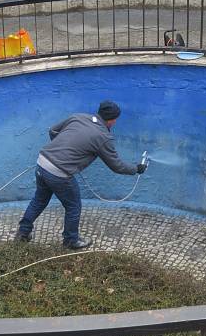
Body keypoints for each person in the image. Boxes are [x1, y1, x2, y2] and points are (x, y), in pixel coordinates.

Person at [15, 100, 147, 249]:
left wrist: (61, 152)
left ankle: (23, 233)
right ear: (112, 120)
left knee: (39, 200)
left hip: (42, 163)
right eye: (115, 120)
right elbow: (116, 166)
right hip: (59, 173)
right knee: (73, 206)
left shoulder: (78, 117)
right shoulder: (103, 137)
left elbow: (53, 130)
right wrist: (136, 169)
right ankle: (71, 240)